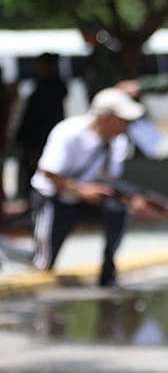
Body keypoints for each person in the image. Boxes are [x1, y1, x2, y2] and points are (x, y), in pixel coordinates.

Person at [30, 87, 152, 287]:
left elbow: (109, 178)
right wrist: (80, 190)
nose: (126, 126)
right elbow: (48, 172)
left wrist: (130, 197)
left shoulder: (118, 142)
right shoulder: (69, 132)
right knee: (45, 261)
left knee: (118, 212)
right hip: (56, 196)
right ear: (104, 117)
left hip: (88, 197)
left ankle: (108, 271)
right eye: (122, 120)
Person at [13, 53, 68, 200]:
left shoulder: (50, 89)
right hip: (35, 141)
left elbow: (44, 120)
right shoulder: (45, 85)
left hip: (40, 142)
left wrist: (36, 149)